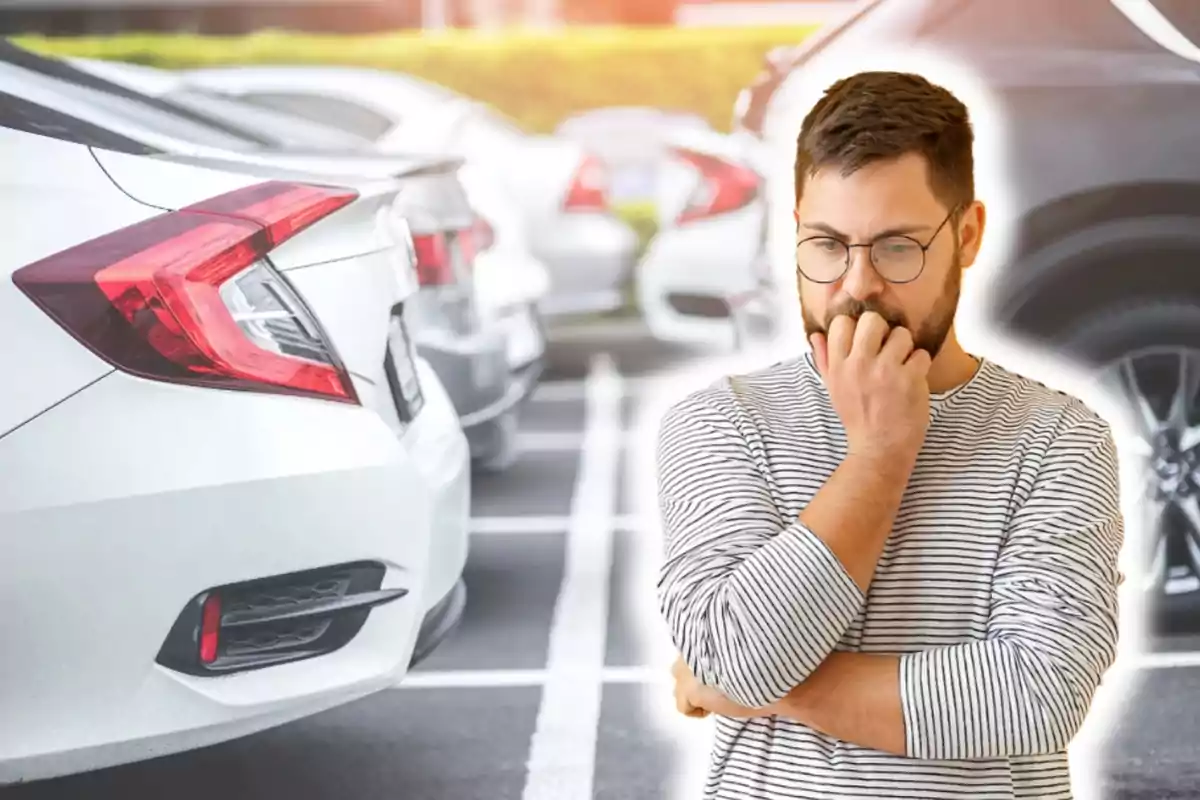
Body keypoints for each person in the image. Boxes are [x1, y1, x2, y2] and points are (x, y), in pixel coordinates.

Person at [656, 70, 1124, 799]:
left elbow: (1037, 695)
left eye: (897, 248)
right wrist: (879, 455)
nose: (856, 284)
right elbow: (730, 659)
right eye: (827, 245)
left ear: (966, 237)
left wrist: (757, 688)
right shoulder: (723, 422)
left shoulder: (1058, 439)